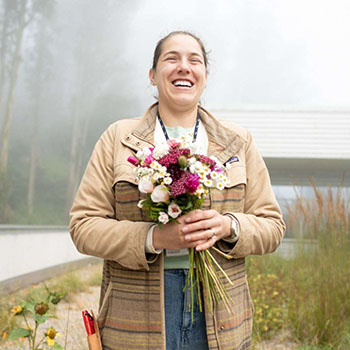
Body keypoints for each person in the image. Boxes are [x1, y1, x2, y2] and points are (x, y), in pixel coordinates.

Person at [69, 31, 285, 350]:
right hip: (134, 315)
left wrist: (228, 226)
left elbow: (273, 226)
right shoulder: (118, 138)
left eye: (194, 60)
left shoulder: (238, 142)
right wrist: (153, 238)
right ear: (153, 75)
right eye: (172, 58)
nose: (184, 66)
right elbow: (83, 226)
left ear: (205, 77)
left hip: (220, 313)